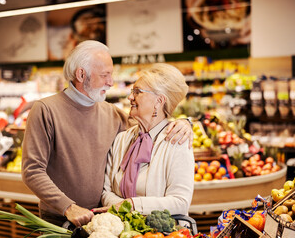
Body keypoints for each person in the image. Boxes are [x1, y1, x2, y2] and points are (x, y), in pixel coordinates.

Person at [21, 40, 193, 227]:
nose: (111, 82)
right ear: (81, 74)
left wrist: (186, 122)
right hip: (58, 219)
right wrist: (68, 207)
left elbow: (153, 124)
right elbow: (32, 170)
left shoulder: (112, 114)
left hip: (102, 218)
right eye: (105, 75)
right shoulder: (45, 110)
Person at [93, 63, 194, 216]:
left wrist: (133, 205)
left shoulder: (177, 141)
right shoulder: (121, 139)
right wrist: (126, 212)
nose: (130, 97)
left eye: (137, 92)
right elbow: (106, 191)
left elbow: (180, 202)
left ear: (159, 101)